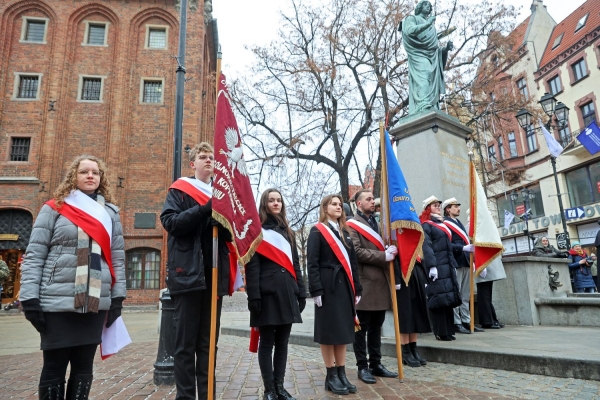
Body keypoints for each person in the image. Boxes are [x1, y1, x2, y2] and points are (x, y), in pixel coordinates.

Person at [19, 155, 126, 399]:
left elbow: (117, 258)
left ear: (101, 178)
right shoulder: (54, 208)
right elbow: (35, 255)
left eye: (95, 173)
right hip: (57, 302)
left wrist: (118, 297)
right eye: (84, 172)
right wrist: (29, 298)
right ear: (73, 177)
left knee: (83, 368)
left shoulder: (109, 213)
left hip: (95, 302)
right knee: (54, 367)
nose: (90, 176)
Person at [160, 142, 233, 400]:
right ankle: (186, 397)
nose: (209, 161)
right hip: (188, 276)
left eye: (212, 157)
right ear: (193, 164)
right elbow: (171, 223)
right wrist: (203, 210)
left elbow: (231, 236)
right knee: (184, 345)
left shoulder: (221, 195)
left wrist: (222, 225)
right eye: (203, 157)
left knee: (207, 343)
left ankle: (207, 395)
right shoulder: (180, 191)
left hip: (214, 277)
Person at [245, 188, 307, 400]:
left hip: (288, 292)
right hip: (267, 293)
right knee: (267, 343)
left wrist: (301, 291)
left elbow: (295, 264)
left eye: (278, 200)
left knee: (282, 342)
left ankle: (280, 387)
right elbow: (252, 267)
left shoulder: (288, 232)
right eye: (271, 200)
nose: (276, 203)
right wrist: (253, 296)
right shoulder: (257, 231)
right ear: (265, 204)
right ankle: (269, 389)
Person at [307, 194, 362, 395]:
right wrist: (316, 290)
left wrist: (358, 287)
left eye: (340, 204)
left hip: (345, 288)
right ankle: (331, 375)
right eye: (334, 204)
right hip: (327, 287)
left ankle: (341, 373)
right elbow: (312, 263)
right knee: (329, 332)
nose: (338, 207)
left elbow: (353, 264)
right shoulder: (317, 231)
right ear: (325, 207)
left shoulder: (345, 232)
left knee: (343, 332)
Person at [347, 190, 398, 383]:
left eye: (372, 198)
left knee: (377, 327)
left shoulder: (378, 223)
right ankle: (362, 366)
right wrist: (383, 256)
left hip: (381, 282)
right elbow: (357, 251)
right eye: (368, 199)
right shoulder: (352, 224)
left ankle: (376, 364)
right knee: (362, 328)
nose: (372, 201)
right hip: (365, 282)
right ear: (358, 204)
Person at [400, 0, 453, 115]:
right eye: (425, 4)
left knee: (431, 77)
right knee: (426, 73)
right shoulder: (411, 18)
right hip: (418, 53)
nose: (428, 7)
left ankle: (429, 105)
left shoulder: (432, 26)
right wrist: (428, 24)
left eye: (430, 6)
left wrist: (445, 50)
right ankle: (422, 104)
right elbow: (409, 31)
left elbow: (435, 48)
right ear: (419, 7)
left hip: (432, 56)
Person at [420, 196, 461, 341]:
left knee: (447, 298)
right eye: (434, 205)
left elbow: (448, 247)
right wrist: (431, 266)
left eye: (438, 205)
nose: (438, 207)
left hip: (447, 265)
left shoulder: (440, 224)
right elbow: (427, 247)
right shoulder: (426, 225)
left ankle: (449, 330)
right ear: (427, 208)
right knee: (438, 299)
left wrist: (453, 264)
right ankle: (440, 332)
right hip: (437, 266)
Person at [442, 197, 482, 334]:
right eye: (455, 206)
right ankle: (457, 322)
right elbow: (448, 245)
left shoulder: (458, 222)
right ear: (448, 209)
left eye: (458, 206)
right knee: (457, 293)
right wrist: (462, 248)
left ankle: (466, 320)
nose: (458, 208)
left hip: (466, 261)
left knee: (466, 294)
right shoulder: (445, 224)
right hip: (456, 261)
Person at [394, 254, 431, 367]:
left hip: (416, 271)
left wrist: (424, 277)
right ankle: (405, 351)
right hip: (403, 272)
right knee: (406, 313)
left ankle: (413, 348)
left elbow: (420, 254)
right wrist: (396, 279)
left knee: (416, 313)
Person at [474, 257, 507, 329]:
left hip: (486, 262)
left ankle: (491, 319)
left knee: (487, 294)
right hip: (482, 262)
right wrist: (481, 265)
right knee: (484, 294)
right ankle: (486, 321)